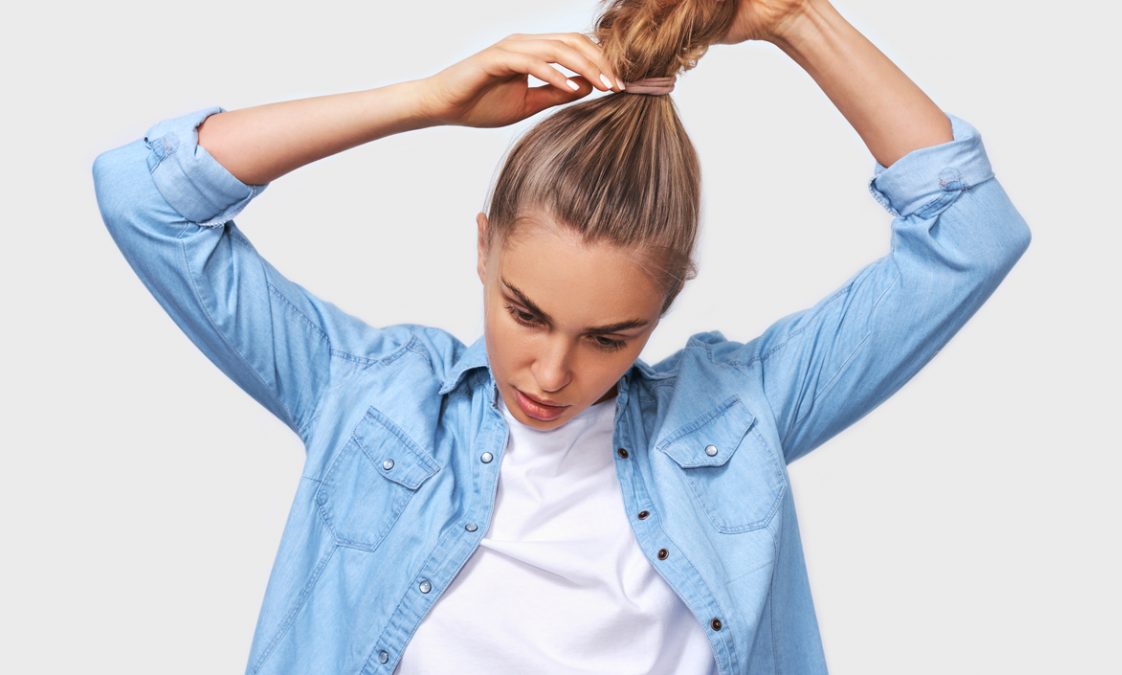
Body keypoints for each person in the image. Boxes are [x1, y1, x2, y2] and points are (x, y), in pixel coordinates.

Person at [90, 0, 1031, 672]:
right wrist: (427, 100)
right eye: (525, 311)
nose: (551, 370)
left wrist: (794, 17)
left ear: (663, 314)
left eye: (609, 337)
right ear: (482, 246)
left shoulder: (740, 419)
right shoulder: (369, 394)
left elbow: (971, 232)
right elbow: (146, 199)